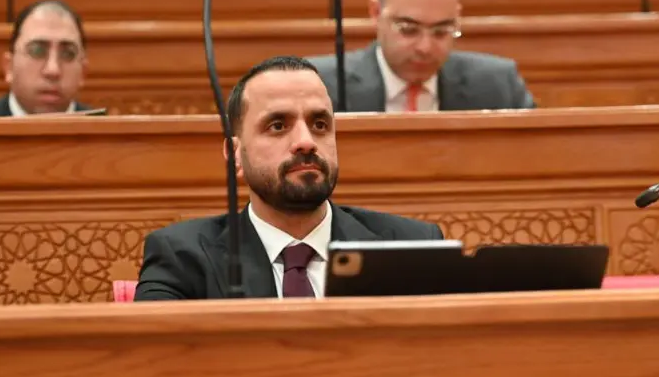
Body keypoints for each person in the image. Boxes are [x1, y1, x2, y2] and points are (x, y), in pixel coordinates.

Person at [134, 55, 444, 301]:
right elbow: (152, 357)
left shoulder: (413, 248)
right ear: (236, 154)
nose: (306, 142)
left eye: (319, 124)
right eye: (278, 126)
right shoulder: (183, 257)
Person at [307, 0, 535, 113]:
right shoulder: (318, 85)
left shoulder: (499, 86)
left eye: (441, 31)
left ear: (457, 18)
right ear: (376, 13)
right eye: (408, 30)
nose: (425, 47)